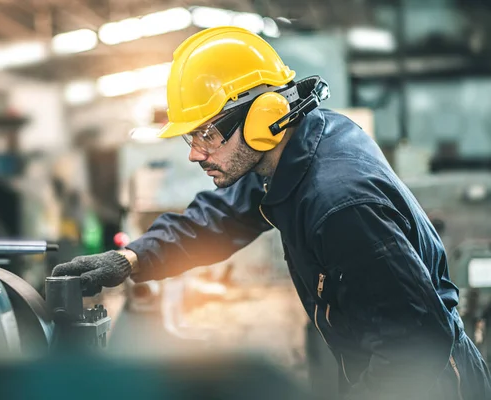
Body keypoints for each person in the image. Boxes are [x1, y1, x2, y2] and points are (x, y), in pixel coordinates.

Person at [52, 26, 491, 399]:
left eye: (206, 133)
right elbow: (218, 217)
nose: (195, 154)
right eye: (191, 138)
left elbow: (413, 348)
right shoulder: (291, 156)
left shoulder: (340, 204)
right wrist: (131, 258)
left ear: (265, 115)